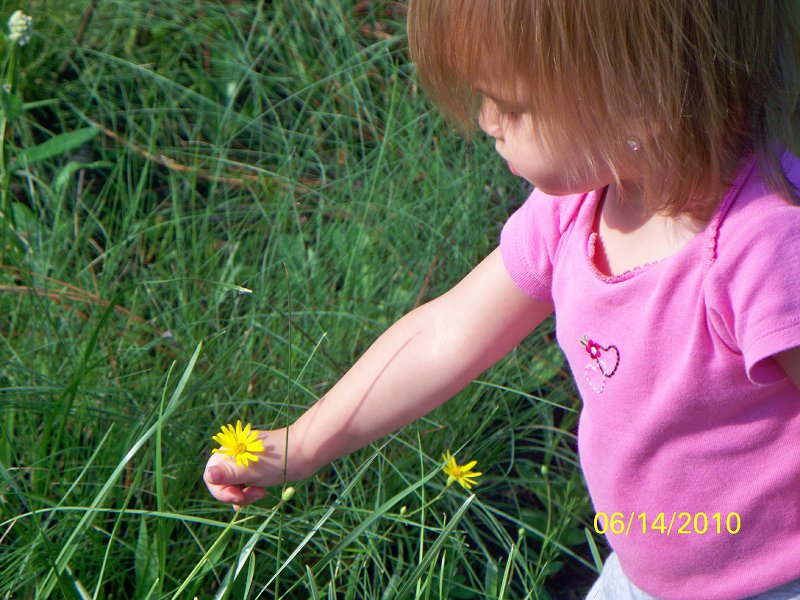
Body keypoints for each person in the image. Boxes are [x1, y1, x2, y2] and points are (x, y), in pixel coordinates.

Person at [204, 1, 800, 598]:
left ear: (643, 97)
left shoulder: (766, 247)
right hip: (646, 571)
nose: (487, 122)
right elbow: (445, 334)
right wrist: (303, 443)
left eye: (510, 105)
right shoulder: (578, 208)